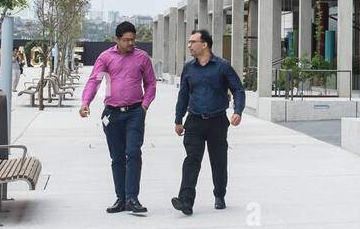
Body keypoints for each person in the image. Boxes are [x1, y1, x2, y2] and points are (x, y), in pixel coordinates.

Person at [79, 22, 156, 216]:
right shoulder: (106, 57)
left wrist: (145, 106)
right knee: (117, 157)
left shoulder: (142, 57)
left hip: (135, 112)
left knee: (133, 152)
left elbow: (151, 84)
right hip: (112, 114)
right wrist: (85, 102)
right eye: (126, 40)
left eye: (133, 39)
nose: (131, 43)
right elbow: (94, 81)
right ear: (117, 39)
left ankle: (132, 198)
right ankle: (121, 199)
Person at [171, 27, 244, 216]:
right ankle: (186, 201)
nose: (189, 45)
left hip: (217, 121)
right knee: (191, 160)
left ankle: (219, 194)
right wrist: (178, 119)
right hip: (194, 121)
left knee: (218, 160)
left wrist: (238, 111)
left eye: (192, 42)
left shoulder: (222, 66)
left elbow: (238, 89)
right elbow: (183, 95)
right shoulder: (188, 68)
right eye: (188, 42)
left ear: (204, 44)